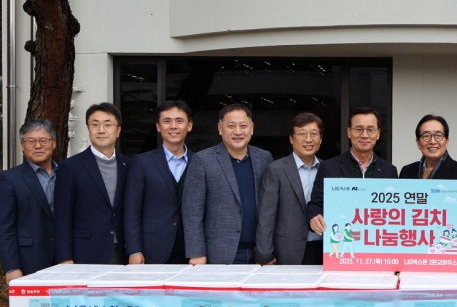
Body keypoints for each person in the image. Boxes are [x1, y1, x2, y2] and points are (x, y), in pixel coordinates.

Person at [182, 103, 273, 264]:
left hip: (260, 252)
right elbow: (192, 212)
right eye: (231, 126)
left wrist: (269, 251)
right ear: (220, 128)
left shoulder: (264, 158)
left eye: (243, 126)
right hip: (220, 252)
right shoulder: (203, 160)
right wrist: (196, 252)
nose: (238, 131)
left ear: (251, 128)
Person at [54, 103, 129, 264]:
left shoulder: (129, 165)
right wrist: (65, 258)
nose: (101, 130)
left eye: (107, 124)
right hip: (85, 252)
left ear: (118, 130)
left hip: (123, 252)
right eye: (95, 124)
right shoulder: (70, 167)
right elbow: (62, 216)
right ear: (88, 129)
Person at [306, 107, 398, 235]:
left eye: (370, 130)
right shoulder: (328, 167)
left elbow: (396, 208)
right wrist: (314, 218)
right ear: (349, 132)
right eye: (358, 129)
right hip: (342, 239)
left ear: (378, 134)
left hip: (377, 240)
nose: (364, 135)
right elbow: (316, 204)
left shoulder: (390, 170)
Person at [124, 100, 194, 265]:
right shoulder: (142, 163)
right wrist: (134, 249)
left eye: (179, 121)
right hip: (152, 249)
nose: (173, 126)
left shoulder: (200, 162)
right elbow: (132, 210)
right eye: (167, 121)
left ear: (189, 126)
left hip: (191, 251)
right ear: (158, 126)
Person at [255, 112, 325, 265]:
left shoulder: (328, 169)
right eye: (302, 134)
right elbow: (266, 216)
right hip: (287, 251)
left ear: (320, 139)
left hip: (324, 249)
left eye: (314, 134)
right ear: (292, 139)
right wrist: (264, 253)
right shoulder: (276, 169)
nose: (308, 139)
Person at [0, 119, 57, 283]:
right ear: (22, 145)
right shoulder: (9, 179)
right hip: (28, 261)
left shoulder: (66, 174)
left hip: (65, 262)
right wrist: (11, 267)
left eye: (43, 140)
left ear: (54, 143)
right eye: (31, 141)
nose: (38, 146)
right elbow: (4, 228)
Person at [399, 114, 457, 180]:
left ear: (447, 141)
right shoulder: (406, 172)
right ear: (418, 143)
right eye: (426, 136)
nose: (432, 141)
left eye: (438, 135)